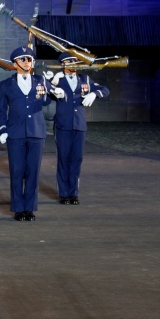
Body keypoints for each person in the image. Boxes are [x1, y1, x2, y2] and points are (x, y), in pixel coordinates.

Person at [0, 46, 51, 222]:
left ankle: (30, 208)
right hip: (15, 133)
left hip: (36, 132)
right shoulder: (6, 85)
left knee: (33, 172)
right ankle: (19, 208)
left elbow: (47, 100)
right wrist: (3, 129)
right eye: (23, 59)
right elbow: (2, 109)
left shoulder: (40, 80)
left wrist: (54, 90)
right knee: (17, 171)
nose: (27, 62)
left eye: (29, 59)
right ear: (15, 63)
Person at [48, 52, 110, 205]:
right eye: (70, 62)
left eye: (76, 62)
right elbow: (44, 89)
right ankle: (63, 193)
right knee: (63, 159)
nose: (74, 65)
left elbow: (105, 89)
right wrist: (53, 83)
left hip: (79, 125)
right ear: (63, 64)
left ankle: (73, 193)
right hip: (63, 125)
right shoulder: (58, 80)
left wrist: (95, 94)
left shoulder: (85, 79)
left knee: (76, 159)